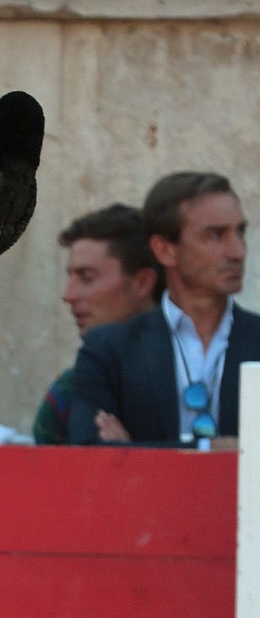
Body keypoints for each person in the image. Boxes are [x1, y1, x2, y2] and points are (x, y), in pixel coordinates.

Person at [69, 172, 260, 448]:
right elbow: (89, 451)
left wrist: (133, 451)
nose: (237, 251)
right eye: (216, 235)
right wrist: (213, 449)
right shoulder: (108, 350)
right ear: (164, 250)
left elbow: (113, 457)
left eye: (240, 232)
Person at [33, 203, 159, 444]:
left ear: (142, 282)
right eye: (71, 277)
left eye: (87, 277)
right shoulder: (66, 395)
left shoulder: (198, 372)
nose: (68, 295)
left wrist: (132, 456)